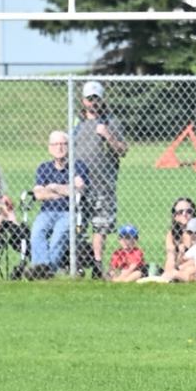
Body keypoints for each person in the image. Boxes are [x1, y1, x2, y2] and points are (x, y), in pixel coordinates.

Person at [72, 80, 128, 277]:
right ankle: (77, 265)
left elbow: (123, 150)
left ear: (102, 100)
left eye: (96, 99)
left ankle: (97, 264)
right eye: (89, 99)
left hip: (104, 185)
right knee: (79, 225)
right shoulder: (76, 124)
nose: (93, 102)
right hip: (80, 186)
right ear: (83, 100)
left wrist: (108, 136)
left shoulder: (111, 122)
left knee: (100, 226)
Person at [27, 130, 88, 277]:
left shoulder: (78, 166)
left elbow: (79, 192)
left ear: (69, 146)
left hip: (70, 212)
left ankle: (45, 271)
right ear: (49, 148)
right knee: (37, 232)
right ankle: (42, 268)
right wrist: (67, 189)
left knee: (59, 234)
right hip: (47, 211)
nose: (59, 148)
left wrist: (53, 187)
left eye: (63, 144)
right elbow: (38, 194)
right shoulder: (44, 168)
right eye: (55, 144)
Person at [142, 215, 196, 283]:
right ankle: (162, 279)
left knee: (180, 272)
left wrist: (179, 274)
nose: (193, 236)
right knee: (182, 269)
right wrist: (181, 254)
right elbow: (180, 262)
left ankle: (160, 280)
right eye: (190, 232)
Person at [161, 197, 196, 276]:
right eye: (180, 212)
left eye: (189, 211)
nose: (184, 214)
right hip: (178, 264)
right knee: (170, 258)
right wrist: (179, 253)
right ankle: (169, 276)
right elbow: (171, 254)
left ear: (193, 214)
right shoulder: (171, 234)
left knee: (194, 261)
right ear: (175, 216)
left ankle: (174, 275)